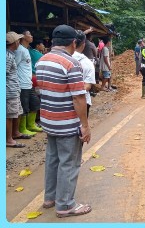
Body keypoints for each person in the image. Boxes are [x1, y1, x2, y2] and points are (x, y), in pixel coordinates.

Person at [35, 25, 92, 218]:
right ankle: (66, 205)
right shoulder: (71, 63)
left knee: (52, 159)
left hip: (49, 120)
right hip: (67, 123)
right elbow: (78, 98)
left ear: (53, 41)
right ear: (73, 43)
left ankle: (50, 198)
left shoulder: (42, 60)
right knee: (69, 162)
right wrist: (84, 125)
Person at [15, 30, 43, 137]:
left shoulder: (27, 50)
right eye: (29, 34)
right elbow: (15, 65)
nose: (31, 36)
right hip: (22, 83)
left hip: (28, 82)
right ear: (23, 37)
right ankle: (22, 128)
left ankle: (30, 125)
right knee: (24, 106)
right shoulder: (20, 50)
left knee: (35, 103)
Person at [7, 32, 28, 147]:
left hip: (14, 89)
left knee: (16, 112)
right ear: (14, 43)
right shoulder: (7, 56)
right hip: (9, 91)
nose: (19, 42)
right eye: (18, 41)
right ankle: (8, 139)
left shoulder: (11, 54)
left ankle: (15, 133)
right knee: (9, 115)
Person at [72, 32, 96, 117]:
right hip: (82, 102)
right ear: (83, 44)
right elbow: (87, 86)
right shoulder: (87, 63)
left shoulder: (57, 59)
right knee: (81, 127)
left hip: (61, 104)